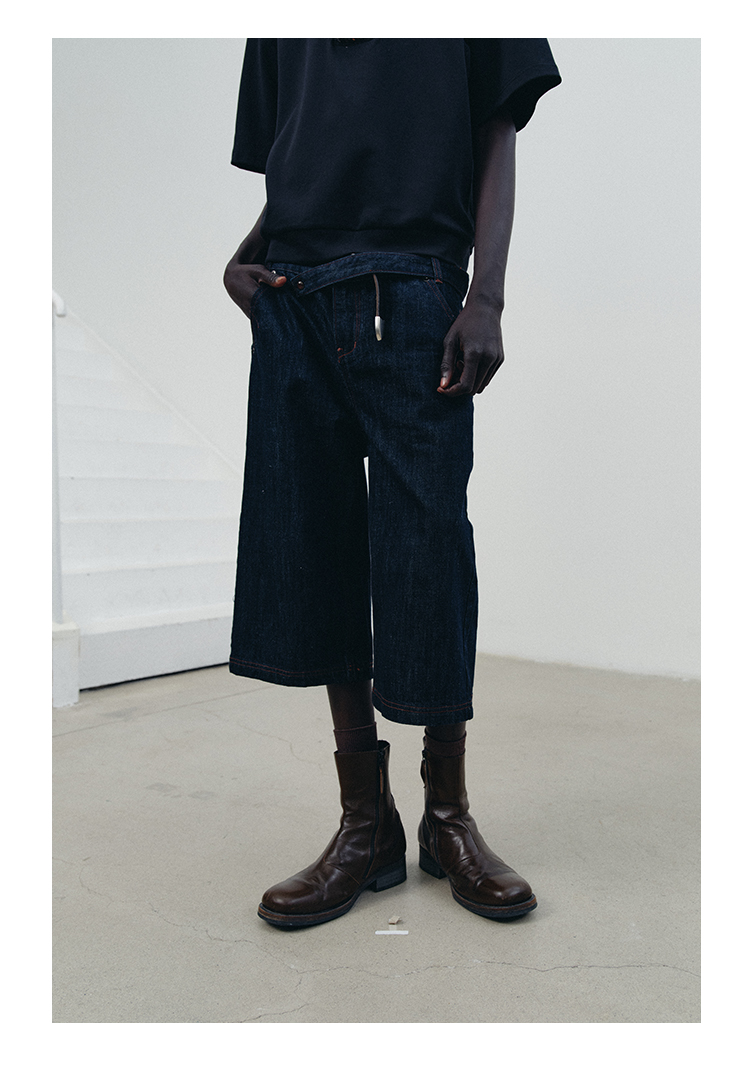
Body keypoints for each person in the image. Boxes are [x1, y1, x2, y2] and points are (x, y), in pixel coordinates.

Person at [224, 38, 561, 928]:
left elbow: (497, 124)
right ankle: (365, 824)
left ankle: (448, 815)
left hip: (416, 291)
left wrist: (486, 295)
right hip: (293, 294)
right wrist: (243, 254)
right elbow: (300, 156)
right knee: (318, 549)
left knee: (429, 550)